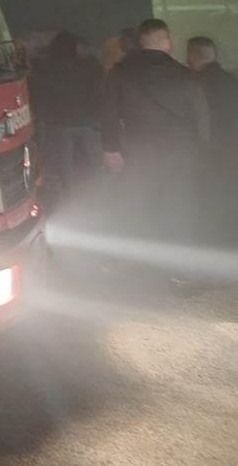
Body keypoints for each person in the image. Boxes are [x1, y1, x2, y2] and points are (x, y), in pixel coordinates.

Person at [100, 18, 210, 290]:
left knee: (132, 206)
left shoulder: (120, 72)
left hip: (139, 153)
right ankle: (182, 275)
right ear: (167, 40)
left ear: (142, 42)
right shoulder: (185, 74)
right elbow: (202, 119)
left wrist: (111, 149)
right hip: (181, 155)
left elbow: (108, 114)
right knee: (181, 211)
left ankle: (124, 267)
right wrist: (202, 153)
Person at [33, 32, 104, 201]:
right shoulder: (89, 65)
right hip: (87, 120)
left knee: (65, 167)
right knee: (95, 161)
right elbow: (98, 90)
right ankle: (101, 194)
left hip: (60, 123)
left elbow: (40, 94)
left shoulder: (46, 68)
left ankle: (70, 199)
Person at [187, 36, 238, 246]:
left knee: (212, 201)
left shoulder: (193, 85)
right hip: (233, 151)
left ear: (193, 55)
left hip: (209, 154)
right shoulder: (232, 80)